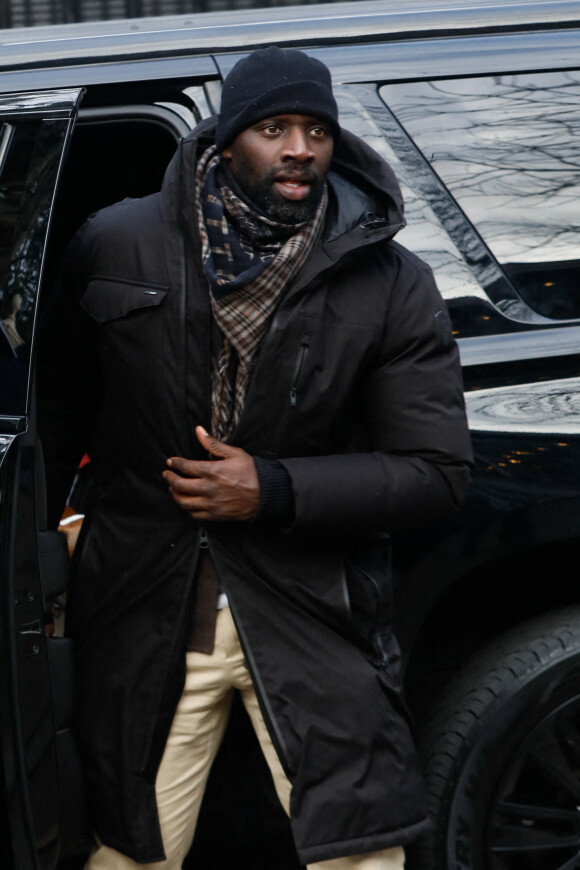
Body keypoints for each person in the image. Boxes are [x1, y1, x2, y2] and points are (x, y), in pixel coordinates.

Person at [38, 46, 472, 870]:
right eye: (274, 128)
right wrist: (40, 553)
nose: (299, 149)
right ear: (229, 137)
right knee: (126, 853)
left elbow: (436, 473)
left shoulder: (388, 279)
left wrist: (269, 489)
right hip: (146, 604)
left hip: (313, 605)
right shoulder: (118, 243)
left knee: (362, 852)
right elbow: (56, 417)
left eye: (315, 129)